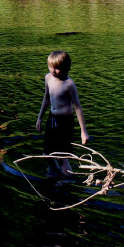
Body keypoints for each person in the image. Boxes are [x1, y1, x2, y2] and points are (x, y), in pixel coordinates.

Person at [35, 50, 89, 178]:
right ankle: (54, 171)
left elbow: (77, 107)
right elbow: (46, 98)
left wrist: (83, 131)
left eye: (57, 68)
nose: (53, 71)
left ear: (66, 68)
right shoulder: (48, 78)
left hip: (65, 122)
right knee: (46, 154)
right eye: (51, 67)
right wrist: (40, 118)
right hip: (52, 118)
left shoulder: (69, 84)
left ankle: (67, 180)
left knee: (62, 157)